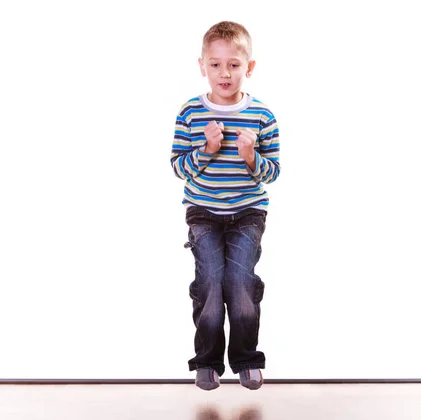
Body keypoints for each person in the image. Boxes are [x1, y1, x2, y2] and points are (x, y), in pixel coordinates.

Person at [170, 21, 280, 391]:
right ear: (202, 66)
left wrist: (251, 157)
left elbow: (272, 173)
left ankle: (247, 359)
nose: (224, 73)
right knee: (211, 283)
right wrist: (207, 150)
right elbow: (177, 166)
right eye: (215, 64)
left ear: (249, 68)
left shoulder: (262, 116)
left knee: (240, 284)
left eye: (234, 64)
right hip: (202, 212)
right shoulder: (190, 113)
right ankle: (207, 362)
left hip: (248, 212)